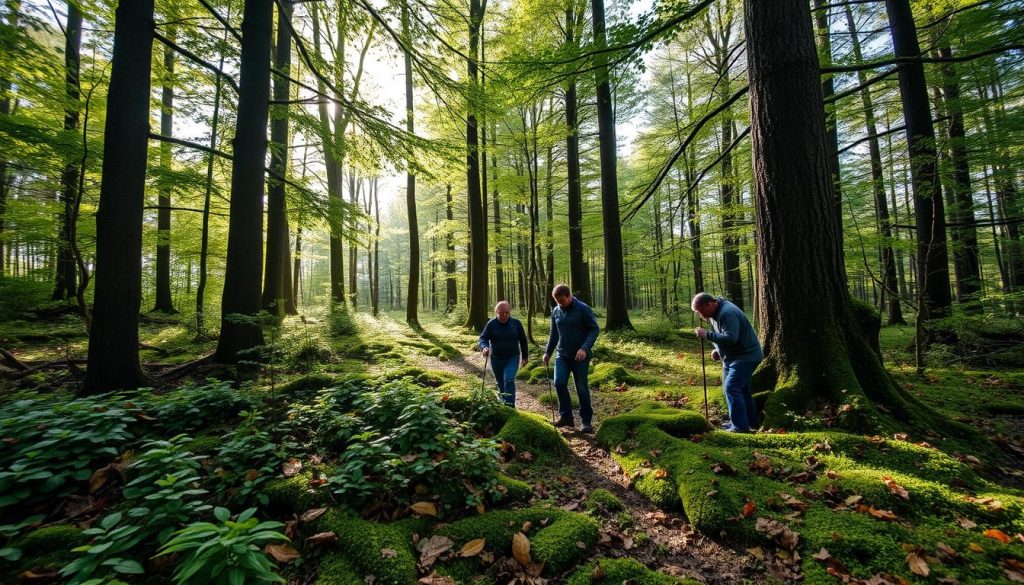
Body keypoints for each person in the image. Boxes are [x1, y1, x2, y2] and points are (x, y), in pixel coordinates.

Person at [692, 292, 763, 433]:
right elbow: (722, 333)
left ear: (710, 304)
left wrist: (707, 335)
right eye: (699, 312)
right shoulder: (713, 314)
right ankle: (748, 421)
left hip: (746, 356)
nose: (702, 315)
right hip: (732, 357)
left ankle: (740, 427)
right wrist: (718, 350)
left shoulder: (727, 313)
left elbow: (731, 338)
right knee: (740, 389)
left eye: (702, 310)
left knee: (732, 388)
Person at [544, 284, 600, 433]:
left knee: (581, 387)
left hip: (580, 357)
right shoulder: (556, 311)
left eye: (561, 300)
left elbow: (594, 329)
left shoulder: (583, 308)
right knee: (559, 382)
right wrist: (548, 352)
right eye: (556, 301)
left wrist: (584, 348)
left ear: (569, 296)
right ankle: (566, 417)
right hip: (562, 355)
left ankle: (586, 421)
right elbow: (553, 334)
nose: (559, 304)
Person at [479, 300, 529, 407]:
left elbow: (523, 340)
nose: (504, 315)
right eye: (501, 313)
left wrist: (525, 356)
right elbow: (483, 338)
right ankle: (503, 403)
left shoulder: (516, 323)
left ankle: (510, 406)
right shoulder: (491, 324)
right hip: (496, 359)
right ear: (496, 312)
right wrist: (484, 347)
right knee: (500, 382)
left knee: (509, 379)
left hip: (512, 357)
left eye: (507, 313)